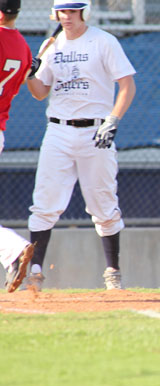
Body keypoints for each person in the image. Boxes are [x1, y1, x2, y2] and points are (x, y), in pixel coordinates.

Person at [26, 0, 136, 291]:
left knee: (103, 204)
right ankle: (35, 270)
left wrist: (112, 120)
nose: (67, 17)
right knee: (45, 203)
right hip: (58, 130)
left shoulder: (103, 41)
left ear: (84, 12)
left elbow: (127, 85)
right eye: (62, 11)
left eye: (73, 11)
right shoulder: (53, 46)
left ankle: (112, 271)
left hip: (95, 130)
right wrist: (30, 72)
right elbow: (40, 92)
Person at [0, 0, 36, 293]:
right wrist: (29, 68)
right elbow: (20, 81)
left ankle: (13, 250)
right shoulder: (23, 46)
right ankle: (12, 253)